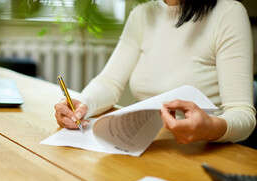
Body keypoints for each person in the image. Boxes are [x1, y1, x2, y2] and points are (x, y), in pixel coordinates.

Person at [54, 0, 256, 144]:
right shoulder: (142, 14)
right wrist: (83, 105)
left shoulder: (228, 13)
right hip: (144, 143)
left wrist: (212, 128)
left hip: (203, 150)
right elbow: (109, 82)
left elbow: (243, 114)